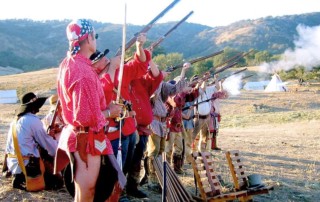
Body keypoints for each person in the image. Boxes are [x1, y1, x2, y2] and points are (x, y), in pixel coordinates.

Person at [55, 19, 124, 202]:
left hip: (79, 135)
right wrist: (110, 113)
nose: (96, 40)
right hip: (85, 139)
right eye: (96, 36)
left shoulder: (68, 64)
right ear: (89, 37)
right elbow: (85, 117)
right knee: (87, 193)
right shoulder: (83, 72)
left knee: (83, 193)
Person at [90, 33, 151, 201]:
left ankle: (122, 191)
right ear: (95, 65)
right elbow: (103, 90)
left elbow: (140, 66)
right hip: (112, 131)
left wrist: (139, 46)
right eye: (102, 60)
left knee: (126, 164)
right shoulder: (95, 78)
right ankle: (114, 195)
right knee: (115, 166)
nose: (106, 60)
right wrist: (111, 69)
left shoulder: (118, 72)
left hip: (129, 126)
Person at [142, 65, 188, 190]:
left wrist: (183, 71)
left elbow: (175, 89)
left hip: (161, 122)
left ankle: (157, 178)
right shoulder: (149, 83)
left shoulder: (161, 83)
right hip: (154, 121)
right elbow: (153, 93)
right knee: (153, 151)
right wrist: (160, 77)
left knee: (161, 151)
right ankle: (151, 179)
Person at [5, 92, 62, 190]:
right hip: (28, 166)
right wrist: (61, 150)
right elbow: (50, 146)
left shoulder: (15, 121)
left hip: (13, 164)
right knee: (58, 183)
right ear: (33, 108)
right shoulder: (33, 120)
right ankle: (27, 178)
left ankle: (19, 176)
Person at [126, 59, 163, 198]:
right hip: (128, 128)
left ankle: (132, 187)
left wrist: (149, 58)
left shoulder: (144, 82)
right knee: (126, 160)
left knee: (137, 159)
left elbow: (157, 76)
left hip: (142, 130)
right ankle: (122, 190)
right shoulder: (123, 82)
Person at [165, 67, 199, 174]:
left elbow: (192, 96)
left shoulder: (182, 95)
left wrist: (197, 85)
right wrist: (183, 90)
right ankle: (166, 169)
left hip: (178, 126)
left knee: (179, 148)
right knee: (168, 149)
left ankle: (177, 168)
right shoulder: (171, 96)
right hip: (170, 126)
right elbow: (176, 102)